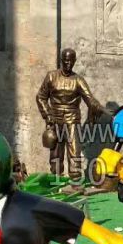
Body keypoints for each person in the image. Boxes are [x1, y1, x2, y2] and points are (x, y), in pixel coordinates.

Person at [36, 48, 106, 179]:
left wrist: (97, 106)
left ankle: (75, 179)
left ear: (75, 61)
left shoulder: (78, 80)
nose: (68, 64)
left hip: (72, 120)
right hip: (55, 119)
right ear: (61, 60)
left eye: (71, 61)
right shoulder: (51, 76)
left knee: (74, 150)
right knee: (56, 153)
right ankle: (56, 178)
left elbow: (89, 98)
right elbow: (41, 97)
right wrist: (47, 115)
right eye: (66, 61)